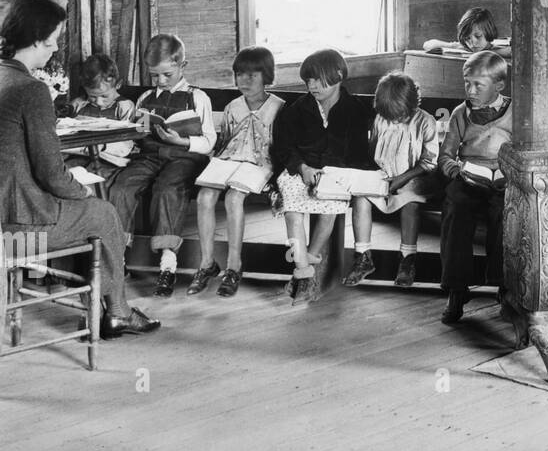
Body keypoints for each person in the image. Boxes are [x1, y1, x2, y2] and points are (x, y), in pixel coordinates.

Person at [0, 0, 158, 337]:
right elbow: (52, 174)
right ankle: (117, 311)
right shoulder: (30, 90)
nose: (55, 48)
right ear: (36, 38)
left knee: (85, 209)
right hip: (6, 238)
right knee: (101, 213)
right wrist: (80, 189)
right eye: (53, 39)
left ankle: (101, 307)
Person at [108, 34, 216, 298]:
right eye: (155, 76)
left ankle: (168, 264)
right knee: (122, 185)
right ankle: (118, 259)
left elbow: (210, 141)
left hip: (184, 158)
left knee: (167, 189)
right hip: (150, 155)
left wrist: (183, 140)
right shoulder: (145, 98)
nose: (160, 81)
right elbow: (137, 135)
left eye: (167, 74)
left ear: (183, 65)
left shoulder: (197, 97)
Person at [270, 49, 372, 304]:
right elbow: (284, 148)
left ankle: (304, 266)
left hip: (335, 175)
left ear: (338, 76)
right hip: (298, 170)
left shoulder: (355, 110)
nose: (311, 85)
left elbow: (357, 154)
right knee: (292, 211)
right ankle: (304, 275)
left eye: (317, 79)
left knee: (329, 212)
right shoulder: (296, 110)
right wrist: (302, 168)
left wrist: (332, 174)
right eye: (308, 80)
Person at [188, 46, 285, 298]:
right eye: (240, 74)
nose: (245, 80)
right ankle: (207, 263)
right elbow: (223, 144)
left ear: (267, 76)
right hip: (229, 161)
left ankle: (234, 265)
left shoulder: (278, 107)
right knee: (205, 196)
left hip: (260, 166)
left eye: (253, 75)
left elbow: (282, 149)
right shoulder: (233, 107)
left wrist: (276, 183)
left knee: (233, 198)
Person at [344, 72, 439, 289]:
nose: (394, 120)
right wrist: (376, 177)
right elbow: (372, 152)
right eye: (389, 116)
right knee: (361, 199)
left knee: (411, 203)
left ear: (413, 105)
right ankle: (363, 256)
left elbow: (428, 163)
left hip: (415, 176)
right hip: (383, 175)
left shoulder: (426, 122)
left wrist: (401, 178)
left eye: (399, 116)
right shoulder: (381, 120)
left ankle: (407, 259)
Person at [438, 50, 513, 325]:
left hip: (505, 178)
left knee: (505, 215)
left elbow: (526, 150)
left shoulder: (516, 111)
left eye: (478, 85)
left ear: (499, 85)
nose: (470, 90)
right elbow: (445, 154)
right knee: (456, 210)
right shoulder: (461, 113)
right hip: (469, 177)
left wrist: (510, 173)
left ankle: (504, 287)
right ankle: (457, 289)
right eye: (467, 83)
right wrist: (454, 169)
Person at [63, 53, 137, 188]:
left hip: (109, 158)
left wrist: (101, 147)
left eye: (104, 96)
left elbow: (128, 141)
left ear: (118, 84)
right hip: (79, 155)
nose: (99, 102)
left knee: (95, 181)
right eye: (92, 96)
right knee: (65, 176)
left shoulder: (124, 106)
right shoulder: (79, 104)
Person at [422, 7, 507, 55]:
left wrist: (490, 52)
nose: (472, 43)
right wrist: (453, 46)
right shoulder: (464, 48)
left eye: (478, 36)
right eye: (467, 38)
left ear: (488, 31)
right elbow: (427, 45)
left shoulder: (501, 49)